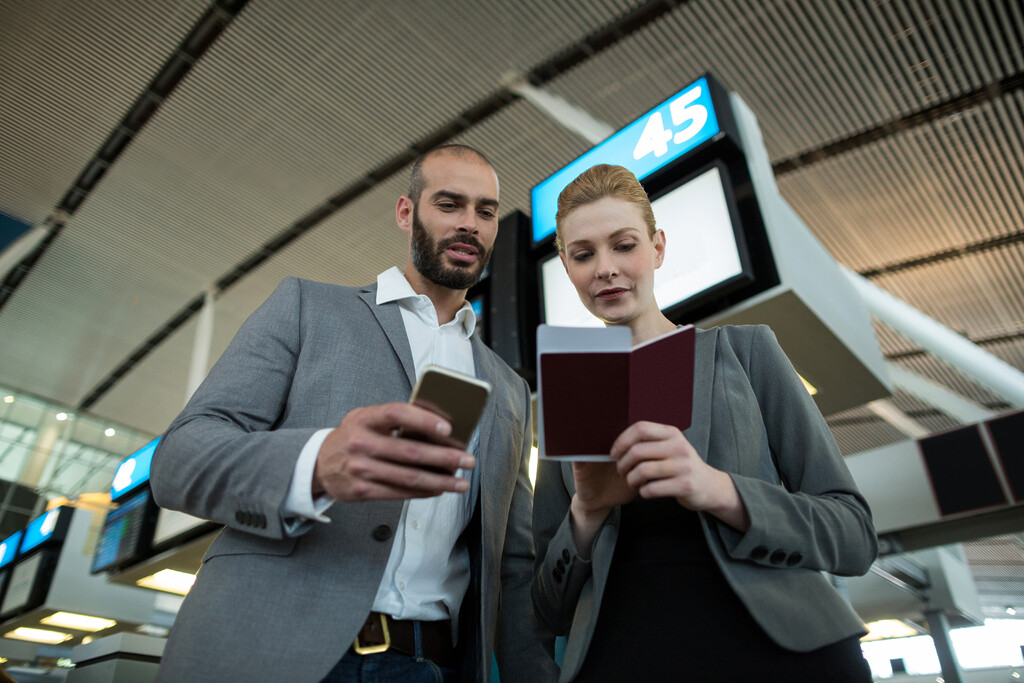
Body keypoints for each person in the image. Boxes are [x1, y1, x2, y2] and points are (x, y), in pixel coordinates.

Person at [150, 144, 557, 683]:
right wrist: (316, 464)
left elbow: (513, 562)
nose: (470, 225)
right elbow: (179, 460)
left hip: (432, 665)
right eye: (449, 204)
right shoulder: (307, 308)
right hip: (274, 652)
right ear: (406, 213)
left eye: (485, 211)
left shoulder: (507, 387)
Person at [531, 164, 878, 682]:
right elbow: (545, 608)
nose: (605, 268)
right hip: (625, 656)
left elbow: (853, 534)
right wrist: (587, 512)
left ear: (658, 248)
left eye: (623, 245)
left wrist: (720, 490)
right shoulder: (569, 392)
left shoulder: (743, 353)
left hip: (776, 650)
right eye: (584, 255)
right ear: (566, 265)